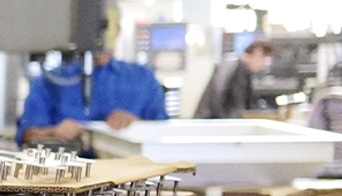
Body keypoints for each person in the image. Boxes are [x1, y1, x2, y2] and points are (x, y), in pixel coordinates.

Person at [17, 50, 170, 144]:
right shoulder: (49, 81)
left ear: (117, 30)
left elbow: (165, 133)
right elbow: (26, 135)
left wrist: (137, 125)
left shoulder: (143, 79)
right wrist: (53, 133)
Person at [194, 38, 275, 119]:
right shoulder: (231, 65)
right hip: (212, 122)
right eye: (265, 59)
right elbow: (218, 96)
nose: (264, 65)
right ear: (257, 53)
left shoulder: (245, 73)